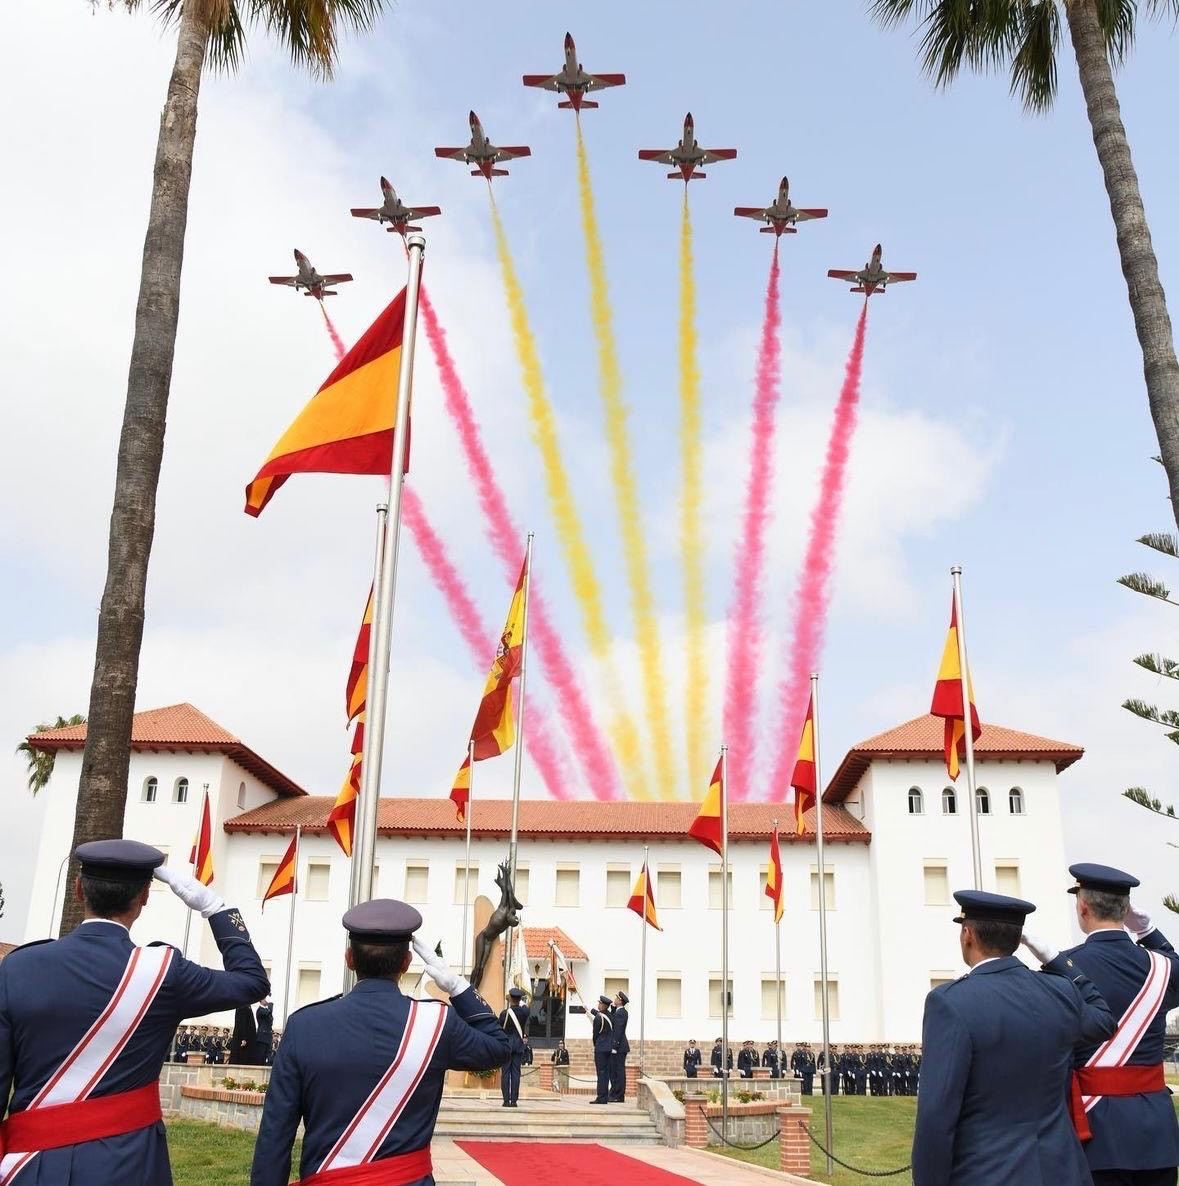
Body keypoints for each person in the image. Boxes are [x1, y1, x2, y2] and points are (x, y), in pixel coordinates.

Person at [0, 839, 268, 1186]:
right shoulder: (164, 973)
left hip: (31, 1166)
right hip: (128, 1163)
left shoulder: (19, 967)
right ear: (144, 898)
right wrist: (216, 908)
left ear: (79, 890)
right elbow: (251, 982)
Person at [250, 899, 508, 1186]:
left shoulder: (304, 1026)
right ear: (407, 962)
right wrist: (457, 986)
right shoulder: (436, 1024)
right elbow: (500, 1047)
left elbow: (275, 1137)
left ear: (349, 959)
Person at [912, 889, 1115, 1186]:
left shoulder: (950, 1002)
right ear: (1017, 940)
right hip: (1063, 1172)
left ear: (968, 935)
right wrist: (1057, 960)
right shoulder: (1060, 991)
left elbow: (935, 1118)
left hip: (988, 1174)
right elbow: (1104, 1020)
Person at [1031, 863, 1179, 1186]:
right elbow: (1175, 964)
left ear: (1082, 907)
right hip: (1156, 1134)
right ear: (1126, 910)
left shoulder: (1063, 969)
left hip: (1094, 1130)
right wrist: (1149, 932)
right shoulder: (1162, 968)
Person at [499, 987, 529, 1108]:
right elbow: (526, 1008)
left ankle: (506, 1100)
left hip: (506, 1046)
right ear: (520, 999)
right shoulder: (524, 1012)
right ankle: (514, 1101)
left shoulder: (504, 1013)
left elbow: (499, 1028)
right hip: (518, 1046)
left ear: (510, 999)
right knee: (516, 1073)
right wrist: (521, 1003)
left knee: (505, 1073)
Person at [590, 995, 614, 1104]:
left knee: (600, 1073)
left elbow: (595, 1035)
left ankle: (601, 1097)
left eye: (600, 1003)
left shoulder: (599, 1018)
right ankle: (605, 1097)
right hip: (609, 1048)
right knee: (606, 1073)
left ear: (604, 1005)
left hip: (600, 1048)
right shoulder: (610, 1016)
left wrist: (596, 1045)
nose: (598, 1005)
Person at [608, 991, 630, 1102]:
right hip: (618, 1045)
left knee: (619, 1072)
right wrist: (612, 1009)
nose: (614, 999)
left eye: (616, 998)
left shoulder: (622, 1013)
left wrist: (614, 1046)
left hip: (619, 1046)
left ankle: (619, 1095)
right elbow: (613, 1023)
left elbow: (618, 1030)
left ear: (620, 1001)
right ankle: (614, 1093)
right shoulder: (617, 1011)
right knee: (614, 1071)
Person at [252, 997, 273, 1066]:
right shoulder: (260, 1010)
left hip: (268, 1036)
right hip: (262, 1036)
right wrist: (270, 1005)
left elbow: (270, 1019)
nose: (266, 1000)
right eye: (264, 999)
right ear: (261, 1000)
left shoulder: (266, 1009)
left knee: (265, 1056)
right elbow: (266, 1013)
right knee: (260, 1056)